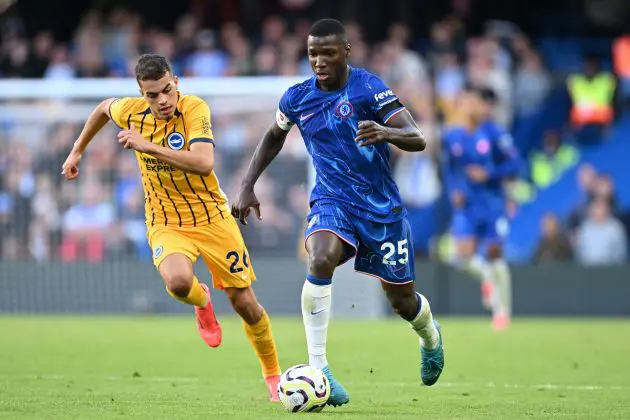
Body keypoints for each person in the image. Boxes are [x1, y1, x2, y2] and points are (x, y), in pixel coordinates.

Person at [232, 19, 444, 407]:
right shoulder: (297, 98)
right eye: (313, 53)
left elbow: (418, 136)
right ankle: (320, 368)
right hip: (332, 200)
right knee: (320, 256)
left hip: (381, 209)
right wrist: (247, 185)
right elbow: (274, 137)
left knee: (402, 302)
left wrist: (386, 133)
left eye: (327, 52)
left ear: (346, 51)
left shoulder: (369, 88)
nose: (319, 61)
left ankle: (429, 334)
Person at [61, 54, 281, 401]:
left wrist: (147, 146)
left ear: (175, 83)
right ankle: (201, 300)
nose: (162, 100)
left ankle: (273, 376)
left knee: (244, 303)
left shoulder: (195, 109)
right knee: (179, 283)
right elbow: (104, 108)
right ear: (141, 93)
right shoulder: (131, 112)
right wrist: (76, 151)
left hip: (212, 218)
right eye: (152, 95)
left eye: (166, 90)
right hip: (165, 220)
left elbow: (204, 162)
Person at [441, 86, 521, 331]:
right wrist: (453, 189)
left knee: (496, 254)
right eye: (465, 102)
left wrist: (490, 173)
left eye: (474, 102)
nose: (470, 107)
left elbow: (516, 163)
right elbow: (448, 167)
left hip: (492, 203)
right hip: (467, 205)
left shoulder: (495, 134)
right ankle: (488, 280)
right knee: (462, 255)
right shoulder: (454, 137)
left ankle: (502, 312)